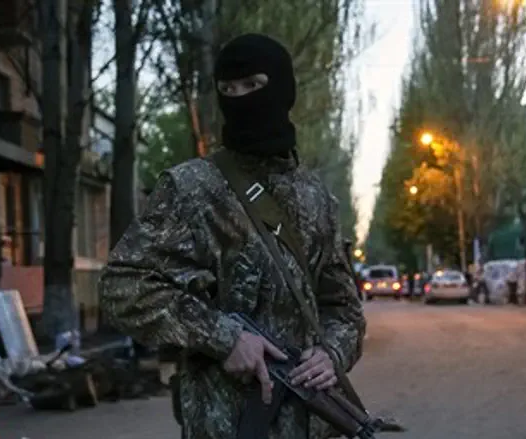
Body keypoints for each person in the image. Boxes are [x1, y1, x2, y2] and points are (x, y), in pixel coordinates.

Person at [98, 33, 366, 439]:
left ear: (281, 89)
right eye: (228, 89)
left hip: (313, 423)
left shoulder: (317, 200)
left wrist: (332, 353)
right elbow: (122, 287)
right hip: (227, 422)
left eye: (253, 85)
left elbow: (343, 308)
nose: (240, 99)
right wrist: (223, 337)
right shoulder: (191, 189)